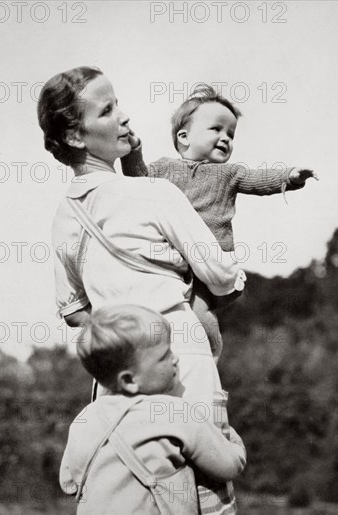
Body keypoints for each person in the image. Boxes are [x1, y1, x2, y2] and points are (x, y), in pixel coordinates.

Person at [38, 66, 246, 515]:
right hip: (180, 360)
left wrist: (122, 324)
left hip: (117, 379)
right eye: (108, 110)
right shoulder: (155, 192)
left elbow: (74, 312)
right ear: (75, 133)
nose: (124, 117)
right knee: (206, 500)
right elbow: (220, 275)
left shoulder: (63, 217)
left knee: (133, 505)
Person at [122, 84, 319, 357]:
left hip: (208, 260)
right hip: (170, 257)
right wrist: (132, 152)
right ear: (184, 137)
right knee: (161, 314)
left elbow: (259, 179)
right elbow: (138, 182)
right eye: (216, 129)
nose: (226, 138)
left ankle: (211, 357)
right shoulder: (163, 168)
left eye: (231, 133)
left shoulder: (229, 174)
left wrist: (290, 176)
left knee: (198, 314)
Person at [60, 304, 246, 515]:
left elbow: (68, 481)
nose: (176, 358)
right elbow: (229, 465)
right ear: (129, 380)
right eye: (164, 355)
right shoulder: (173, 411)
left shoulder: (84, 420)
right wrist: (231, 438)